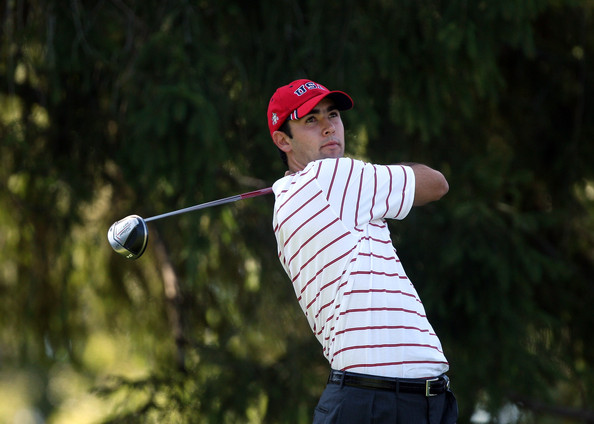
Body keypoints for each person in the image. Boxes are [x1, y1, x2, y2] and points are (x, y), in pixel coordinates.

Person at [267, 79, 458, 423]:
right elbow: (436, 183)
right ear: (283, 140)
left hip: (393, 400)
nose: (329, 127)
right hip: (380, 402)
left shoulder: (285, 205)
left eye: (333, 114)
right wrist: (380, 173)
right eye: (311, 120)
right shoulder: (331, 177)